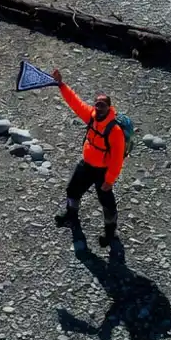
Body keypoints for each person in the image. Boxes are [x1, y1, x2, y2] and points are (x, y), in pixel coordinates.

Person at [50, 68, 125, 247]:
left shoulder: (115, 131)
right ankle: (71, 216)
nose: (99, 108)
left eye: (103, 105)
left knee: (107, 202)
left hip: (102, 172)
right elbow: (75, 102)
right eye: (97, 104)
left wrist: (110, 180)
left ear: (109, 107)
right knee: (72, 190)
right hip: (87, 165)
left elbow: (117, 158)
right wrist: (61, 84)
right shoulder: (91, 117)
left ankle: (110, 232)